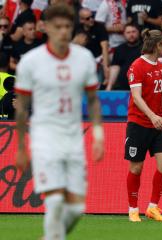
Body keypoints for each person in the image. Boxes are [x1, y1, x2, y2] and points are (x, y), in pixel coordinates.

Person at [14, 3, 104, 239]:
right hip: (44, 137)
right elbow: (21, 107)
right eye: (58, 27)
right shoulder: (31, 62)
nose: (64, 31)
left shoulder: (83, 58)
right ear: (46, 28)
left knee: (75, 209)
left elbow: (93, 100)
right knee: (54, 202)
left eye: (67, 26)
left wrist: (98, 134)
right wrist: (22, 147)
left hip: (73, 139)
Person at [125, 29, 162, 222]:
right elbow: (136, 97)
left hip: (158, 124)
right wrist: (152, 117)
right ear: (156, 46)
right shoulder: (137, 66)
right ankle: (133, 209)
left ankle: (152, 207)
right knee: (136, 168)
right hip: (139, 124)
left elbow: (159, 97)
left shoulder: (160, 67)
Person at [76, 8, 110, 85]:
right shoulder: (76, 28)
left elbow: (104, 47)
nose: (91, 19)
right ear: (81, 20)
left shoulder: (100, 27)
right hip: (82, 60)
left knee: (96, 84)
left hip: (98, 58)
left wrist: (106, 67)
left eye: (92, 16)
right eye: (88, 18)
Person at [107, 23, 142, 91]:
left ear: (139, 33)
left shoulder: (145, 48)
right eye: (128, 32)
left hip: (142, 88)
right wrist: (109, 87)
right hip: (122, 88)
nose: (131, 35)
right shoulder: (119, 49)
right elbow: (115, 67)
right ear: (124, 34)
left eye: (133, 32)